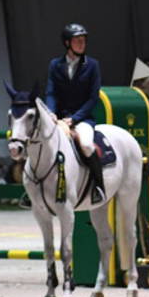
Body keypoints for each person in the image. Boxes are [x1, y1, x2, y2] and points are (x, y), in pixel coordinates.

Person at [44, 22, 106, 203]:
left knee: (86, 145)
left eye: (83, 40)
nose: (81, 44)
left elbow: (93, 98)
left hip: (82, 119)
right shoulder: (55, 65)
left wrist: (74, 119)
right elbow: (51, 92)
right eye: (77, 40)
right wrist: (51, 113)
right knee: (41, 143)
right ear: (67, 43)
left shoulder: (92, 65)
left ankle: (98, 187)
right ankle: (35, 189)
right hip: (58, 119)